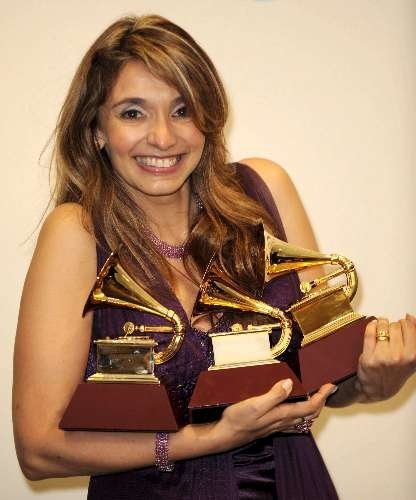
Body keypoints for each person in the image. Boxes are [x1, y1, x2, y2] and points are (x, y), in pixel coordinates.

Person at [13, 15, 416, 499]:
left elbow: (323, 381)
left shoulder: (265, 192)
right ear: (96, 128)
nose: (163, 137)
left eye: (182, 110)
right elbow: (38, 449)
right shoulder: (75, 232)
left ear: (208, 118)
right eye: (133, 113)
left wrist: (374, 379)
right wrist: (208, 439)